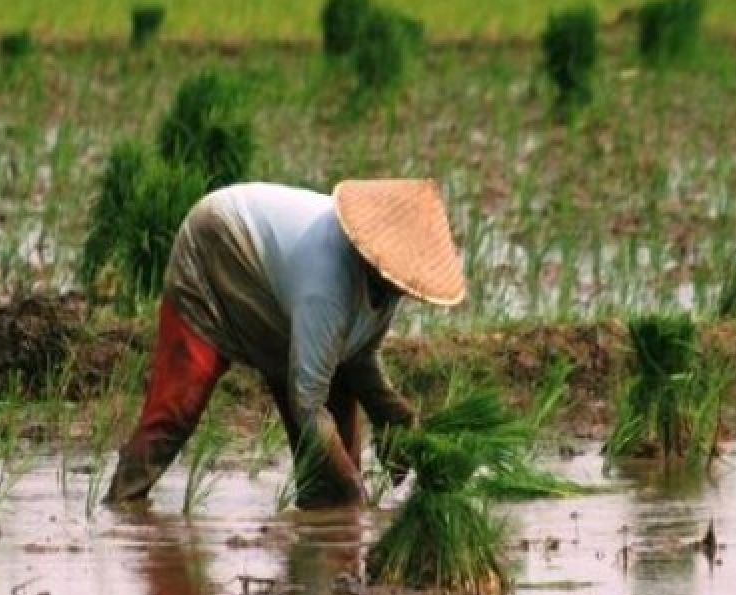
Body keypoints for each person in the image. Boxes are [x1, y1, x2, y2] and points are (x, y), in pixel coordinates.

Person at [104, 179, 466, 509]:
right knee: (178, 405)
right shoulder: (326, 281)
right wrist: (354, 489)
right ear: (370, 255)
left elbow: (359, 356)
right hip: (218, 245)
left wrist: (398, 420)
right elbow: (307, 398)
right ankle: (123, 499)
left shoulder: (387, 286)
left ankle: (326, 515)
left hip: (277, 286)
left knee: (339, 402)